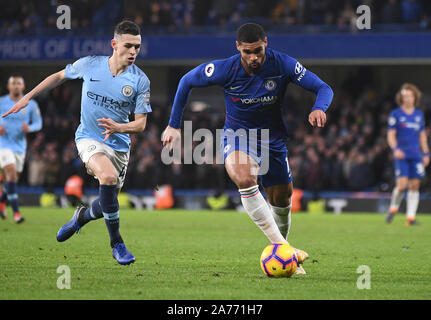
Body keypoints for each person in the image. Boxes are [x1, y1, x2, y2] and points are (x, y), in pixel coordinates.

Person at [162, 23, 333, 273]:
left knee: (282, 199)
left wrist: (319, 107)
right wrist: (174, 125)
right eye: (247, 52)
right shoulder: (223, 69)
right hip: (238, 135)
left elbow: (323, 88)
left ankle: (283, 249)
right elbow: (186, 81)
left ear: (266, 43)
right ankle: (286, 250)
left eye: (258, 51)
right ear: (238, 48)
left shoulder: (283, 64)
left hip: (272, 140)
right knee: (244, 177)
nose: (253, 57)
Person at [2, 20, 151, 265]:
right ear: (114, 44)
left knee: (106, 204)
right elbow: (59, 76)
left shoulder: (140, 80)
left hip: (119, 145)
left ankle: (81, 217)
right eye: (128, 46)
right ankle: (117, 244)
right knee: (109, 178)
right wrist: (28, 96)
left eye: (137, 47)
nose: (133, 52)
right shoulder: (90, 64)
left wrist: (119, 127)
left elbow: (141, 124)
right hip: (89, 138)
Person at [0, 75, 42, 223]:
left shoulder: (31, 104)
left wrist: (29, 128)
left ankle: (1, 202)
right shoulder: (1, 103)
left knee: (11, 180)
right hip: (3, 145)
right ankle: (17, 213)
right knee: (11, 176)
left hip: (20, 147)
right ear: (8, 86)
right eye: (13, 84)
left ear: (23, 87)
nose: (16, 86)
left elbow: (38, 124)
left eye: (19, 84)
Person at [386, 83, 429, 226]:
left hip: (416, 154)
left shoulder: (419, 115)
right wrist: (395, 149)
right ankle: (393, 208)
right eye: (405, 96)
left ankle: (410, 218)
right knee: (402, 185)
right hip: (402, 155)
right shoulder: (396, 114)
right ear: (401, 98)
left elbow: (422, 136)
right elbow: (391, 135)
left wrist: (426, 153)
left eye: (411, 96)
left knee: (415, 185)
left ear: (415, 97)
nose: (408, 99)